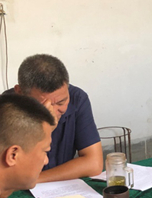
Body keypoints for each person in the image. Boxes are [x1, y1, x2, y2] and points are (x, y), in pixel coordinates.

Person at [12, 54, 103, 183]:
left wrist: (35, 180)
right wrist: (46, 129)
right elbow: (10, 174)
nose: (53, 113)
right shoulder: (4, 110)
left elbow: (94, 163)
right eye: (43, 105)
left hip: (48, 185)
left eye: (61, 103)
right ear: (20, 93)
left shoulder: (77, 99)